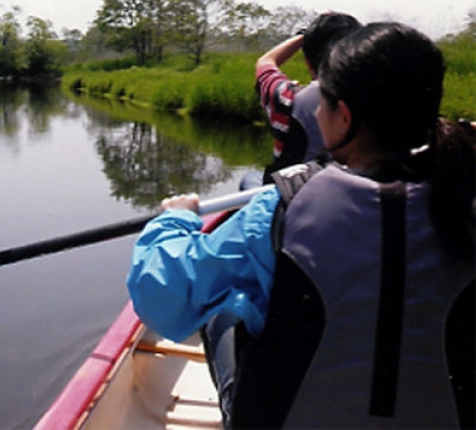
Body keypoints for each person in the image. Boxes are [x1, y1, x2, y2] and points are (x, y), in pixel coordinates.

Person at [127, 22, 475, 429]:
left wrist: (175, 221)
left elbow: (164, 299)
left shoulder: (282, 208)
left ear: (343, 116)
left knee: (225, 307)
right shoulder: (465, 193)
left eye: (321, 102)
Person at [247, 12, 361, 187]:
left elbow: (265, 62)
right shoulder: (377, 99)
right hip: (352, 192)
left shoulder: (286, 97)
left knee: (250, 178)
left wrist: (302, 36)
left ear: (307, 62)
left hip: (291, 196)